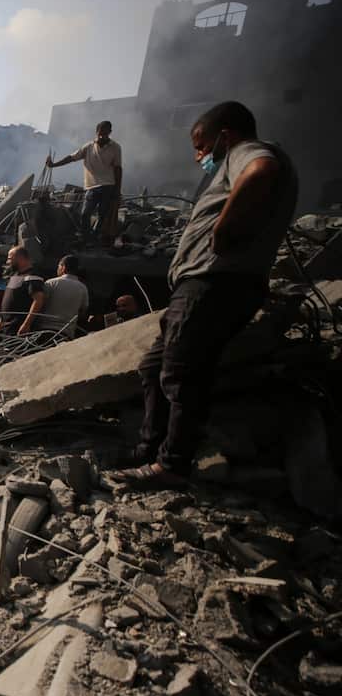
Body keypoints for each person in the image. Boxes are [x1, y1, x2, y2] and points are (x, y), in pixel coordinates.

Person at [111, 101, 297, 490]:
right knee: (154, 367)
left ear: (225, 137)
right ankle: (150, 448)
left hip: (214, 283)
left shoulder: (246, 154)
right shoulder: (241, 158)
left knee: (181, 373)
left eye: (201, 146)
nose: (198, 156)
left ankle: (172, 464)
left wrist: (223, 231)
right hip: (204, 286)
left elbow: (262, 171)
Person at [47, 120, 123, 241]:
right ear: (96, 132)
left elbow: (118, 169)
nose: (102, 136)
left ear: (110, 133)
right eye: (100, 134)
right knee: (85, 213)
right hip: (92, 186)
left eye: (106, 134)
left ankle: (94, 236)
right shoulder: (88, 147)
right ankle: (86, 237)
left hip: (108, 186)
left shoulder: (115, 147)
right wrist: (54, 165)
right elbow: (71, 158)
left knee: (103, 215)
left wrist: (117, 190)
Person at [19, 254, 89, 338]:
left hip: (44, 331)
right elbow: (83, 311)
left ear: (63, 267)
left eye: (59, 266)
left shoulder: (51, 283)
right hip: (66, 333)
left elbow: (40, 304)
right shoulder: (83, 288)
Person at [0, 246, 45, 335]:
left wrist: (26, 324)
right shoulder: (14, 276)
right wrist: (1, 321)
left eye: (10, 259)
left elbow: (38, 300)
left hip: (18, 328)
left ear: (20, 258)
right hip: (5, 328)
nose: (7, 262)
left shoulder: (33, 276)